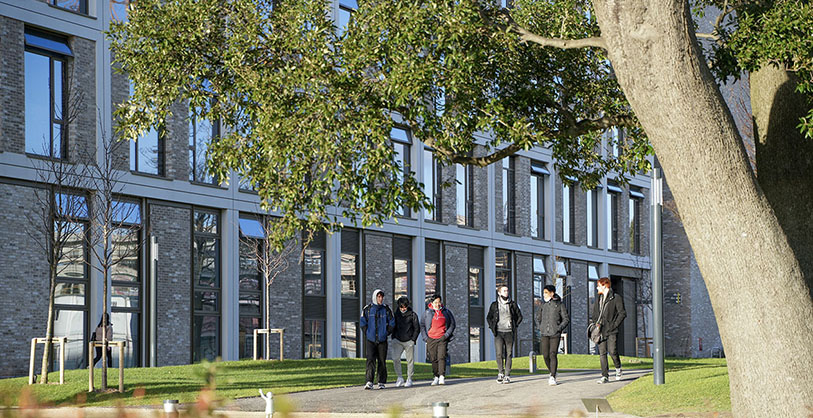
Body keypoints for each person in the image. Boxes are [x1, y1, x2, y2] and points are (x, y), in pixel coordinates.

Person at [591, 277, 626, 383]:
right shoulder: (598, 299)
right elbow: (595, 314)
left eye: (598, 286)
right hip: (600, 330)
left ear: (604, 285)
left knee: (612, 351)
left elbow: (622, 313)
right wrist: (595, 322)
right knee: (602, 353)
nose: (597, 288)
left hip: (611, 330)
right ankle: (604, 376)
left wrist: (614, 325)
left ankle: (618, 368)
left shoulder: (616, 298)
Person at [486, 286, 522, 384]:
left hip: (509, 332)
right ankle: (500, 373)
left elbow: (519, 316)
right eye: (504, 291)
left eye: (507, 290)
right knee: (499, 353)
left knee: (509, 353)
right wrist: (492, 327)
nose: (506, 292)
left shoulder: (513, 304)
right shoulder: (494, 305)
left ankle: (507, 375)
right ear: (499, 293)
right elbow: (489, 317)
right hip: (498, 332)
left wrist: (514, 325)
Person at [360, 289, 394, 389]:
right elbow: (362, 323)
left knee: (382, 361)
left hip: (382, 340)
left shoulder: (386, 309)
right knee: (370, 360)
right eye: (378, 297)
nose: (380, 299)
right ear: (375, 297)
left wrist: (386, 333)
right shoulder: (367, 309)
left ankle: (381, 382)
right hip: (370, 340)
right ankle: (369, 381)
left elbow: (392, 322)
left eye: (381, 297)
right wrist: (367, 333)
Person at [536, 285, 569, 385]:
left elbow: (566, 319)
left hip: (555, 333)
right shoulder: (543, 305)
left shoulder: (559, 305)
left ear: (552, 293)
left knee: (552, 353)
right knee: (545, 355)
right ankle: (552, 370)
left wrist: (558, 329)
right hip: (544, 333)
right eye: (543, 292)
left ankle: (552, 376)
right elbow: (537, 318)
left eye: (546, 292)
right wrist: (540, 327)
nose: (544, 294)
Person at [421, 293, 455, 386]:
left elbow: (452, 324)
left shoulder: (446, 312)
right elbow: (422, 325)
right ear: (432, 303)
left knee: (441, 357)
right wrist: (425, 338)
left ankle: (441, 376)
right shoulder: (427, 313)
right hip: (431, 339)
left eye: (439, 302)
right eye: (436, 302)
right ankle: (436, 376)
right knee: (433, 358)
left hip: (442, 338)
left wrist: (446, 335)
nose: (438, 304)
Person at [392, 296, 420, 388]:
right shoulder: (395, 315)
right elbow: (392, 326)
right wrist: (393, 337)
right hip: (398, 340)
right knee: (395, 358)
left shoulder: (413, 315)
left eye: (405, 307)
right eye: (401, 307)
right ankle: (400, 377)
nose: (403, 309)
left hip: (409, 341)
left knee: (410, 361)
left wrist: (413, 340)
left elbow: (417, 328)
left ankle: (409, 378)